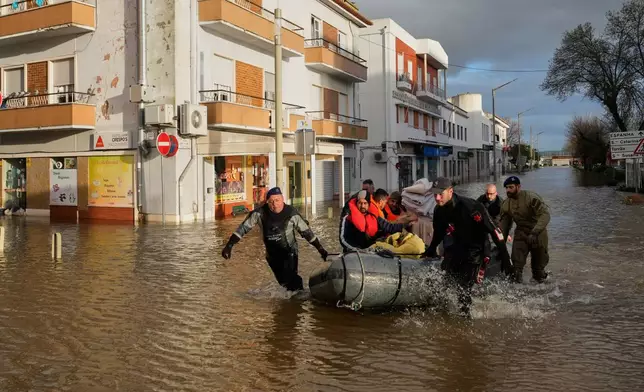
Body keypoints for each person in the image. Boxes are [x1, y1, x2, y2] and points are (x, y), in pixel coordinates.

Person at [423, 177, 512, 317]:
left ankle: (465, 322)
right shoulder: (439, 211)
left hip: (476, 249)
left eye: (441, 194)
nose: (437, 198)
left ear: (450, 191)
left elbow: (495, 232)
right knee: (446, 281)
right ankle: (445, 315)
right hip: (458, 246)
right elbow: (439, 232)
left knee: (463, 289)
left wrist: (506, 260)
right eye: (434, 194)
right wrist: (431, 248)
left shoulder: (470, 207)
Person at [221, 187, 329, 292]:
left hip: (289, 251)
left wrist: (321, 250)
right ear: (267, 202)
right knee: (283, 283)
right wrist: (229, 246)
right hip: (272, 255)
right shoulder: (259, 213)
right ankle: (295, 301)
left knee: (292, 279)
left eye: (277, 200)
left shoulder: (291, 213)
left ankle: (301, 299)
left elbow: (307, 233)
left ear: (282, 199)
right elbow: (242, 229)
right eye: (271, 202)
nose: (275, 204)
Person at [499, 176, 551, 284]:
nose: (508, 190)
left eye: (511, 187)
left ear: (518, 187)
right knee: (516, 268)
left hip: (538, 233)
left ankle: (543, 289)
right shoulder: (506, 204)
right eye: (506, 188)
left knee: (538, 271)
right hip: (521, 233)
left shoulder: (531, 198)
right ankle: (518, 294)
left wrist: (535, 232)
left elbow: (545, 215)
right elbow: (505, 225)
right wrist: (500, 243)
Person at [340, 190, 415, 251]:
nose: (362, 206)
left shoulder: (375, 217)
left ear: (369, 204)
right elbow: (343, 239)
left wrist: (406, 225)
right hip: (353, 253)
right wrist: (356, 250)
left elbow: (390, 227)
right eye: (360, 203)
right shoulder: (347, 219)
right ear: (356, 204)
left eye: (365, 203)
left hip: (370, 253)